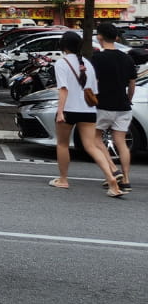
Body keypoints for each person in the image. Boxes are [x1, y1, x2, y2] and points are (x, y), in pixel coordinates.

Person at [49, 30, 124, 196]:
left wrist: (60, 112)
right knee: (92, 146)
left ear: (63, 46)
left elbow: (63, 90)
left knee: (62, 144)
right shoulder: (88, 64)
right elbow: (93, 91)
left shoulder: (61, 63)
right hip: (88, 111)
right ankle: (111, 179)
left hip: (69, 110)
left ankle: (63, 180)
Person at [92, 22, 138, 191]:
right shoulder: (127, 58)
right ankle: (125, 179)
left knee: (95, 139)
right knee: (121, 143)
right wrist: (129, 99)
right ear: (117, 37)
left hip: (103, 105)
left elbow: (94, 83)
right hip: (123, 106)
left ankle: (112, 169)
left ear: (99, 37)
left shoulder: (97, 58)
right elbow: (132, 84)